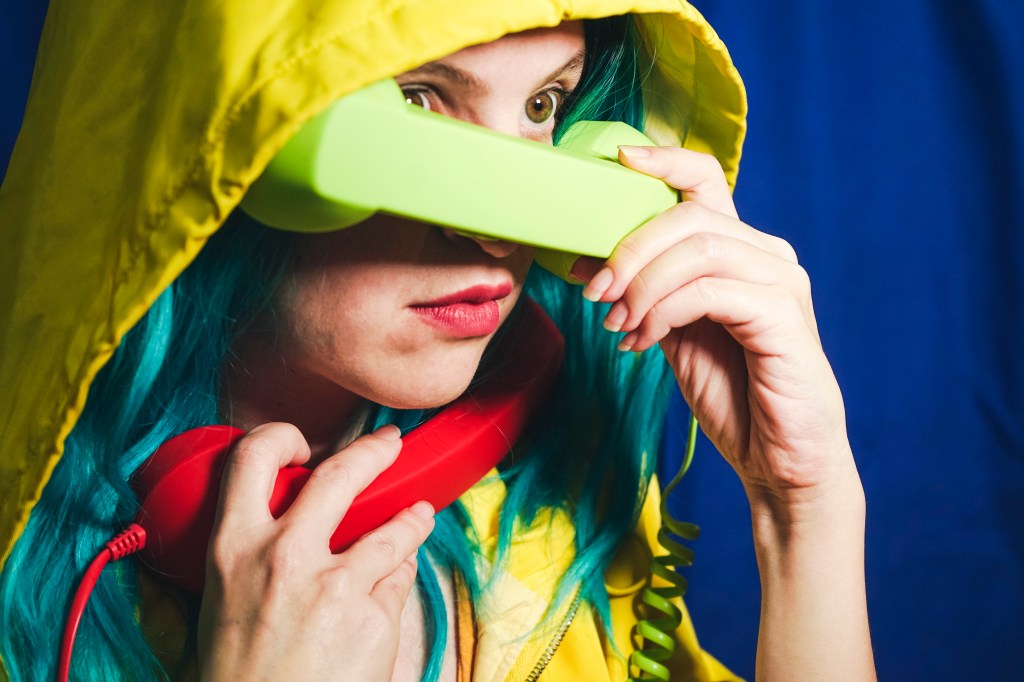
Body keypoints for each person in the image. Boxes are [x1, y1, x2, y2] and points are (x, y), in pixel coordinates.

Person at [0, 2, 874, 681]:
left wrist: (803, 513)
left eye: (544, 105)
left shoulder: (558, 513)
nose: (499, 235)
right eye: (418, 102)